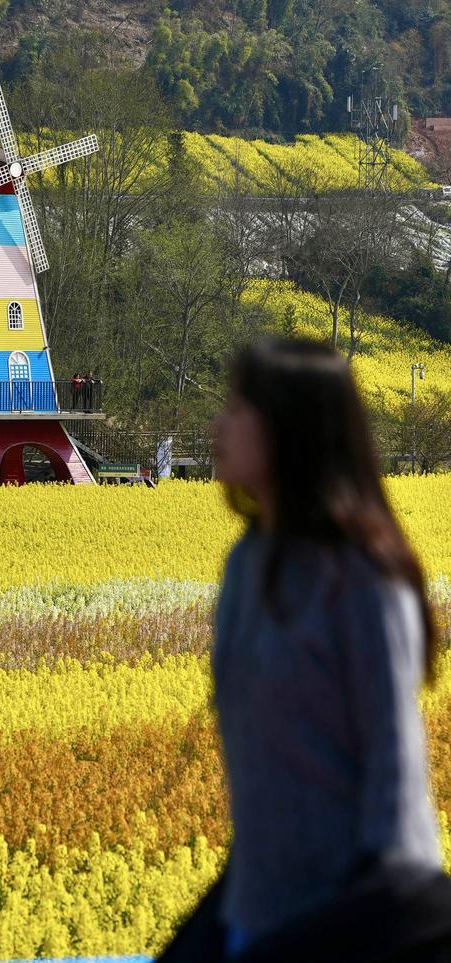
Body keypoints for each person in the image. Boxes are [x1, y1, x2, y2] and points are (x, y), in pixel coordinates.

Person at [158, 335, 451, 963]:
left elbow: (392, 780)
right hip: (258, 903)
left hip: (357, 914)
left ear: (288, 430)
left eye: (238, 409)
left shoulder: (364, 582)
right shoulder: (248, 562)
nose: (218, 424)